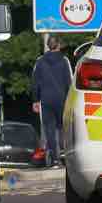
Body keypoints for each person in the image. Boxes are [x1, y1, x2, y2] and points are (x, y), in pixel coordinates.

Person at [30, 35, 72, 165]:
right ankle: (64, 153)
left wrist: (35, 100)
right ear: (58, 45)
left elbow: (35, 82)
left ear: (48, 46)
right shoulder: (64, 61)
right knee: (62, 127)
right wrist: (70, 99)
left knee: (49, 129)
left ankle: (54, 157)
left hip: (46, 99)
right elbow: (69, 81)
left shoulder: (40, 61)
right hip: (62, 99)